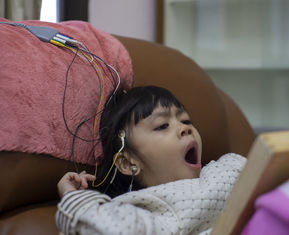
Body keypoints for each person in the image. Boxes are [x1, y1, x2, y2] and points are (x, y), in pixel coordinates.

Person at [56, 86, 246, 235]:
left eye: (186, 121)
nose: (185, 128)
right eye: (162, 126)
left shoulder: (224, 165)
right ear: (128, 163)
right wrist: (73, 196)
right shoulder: (150, 207)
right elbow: (108, 226)